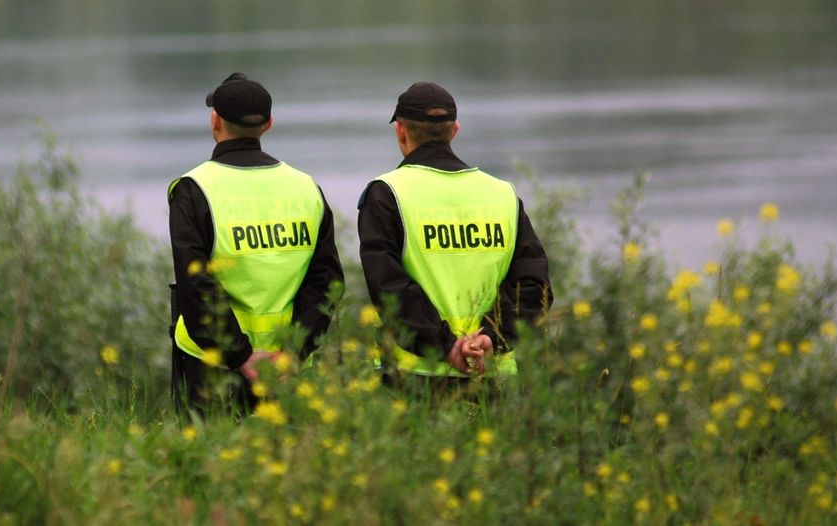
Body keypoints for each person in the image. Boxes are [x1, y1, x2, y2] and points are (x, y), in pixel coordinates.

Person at [169, 73, 343, 416]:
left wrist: (241, 356)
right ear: (269, 124)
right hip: (288, 369)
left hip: (211, 366)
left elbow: (196, 284)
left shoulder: (194, 188)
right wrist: (293, 352)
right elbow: (326, 282)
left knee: (212, 464)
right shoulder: (306, 188)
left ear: (215, 120)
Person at [358, 82, 552, 388]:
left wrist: (446, 346)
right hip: (492, 374)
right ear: (455, 130)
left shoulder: (387, 194)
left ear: (401, 131)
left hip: (416, 375)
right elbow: (533, 285)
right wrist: (490, 338)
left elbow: (388, 287)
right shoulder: (502, 194)